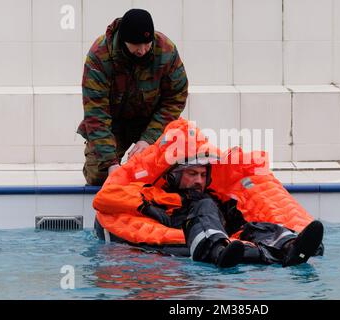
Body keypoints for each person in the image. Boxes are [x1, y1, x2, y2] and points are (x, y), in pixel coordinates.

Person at [134, 160, 324, 268]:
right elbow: (162, 222)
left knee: (254, 226)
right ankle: (217, 251)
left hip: (229, 240)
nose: (199, 180)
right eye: (192, 174)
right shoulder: (163, 197)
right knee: (205, 205)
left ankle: (290, 247)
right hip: (190, 235)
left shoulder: (213, 197)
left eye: (202, 175)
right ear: (175, 175)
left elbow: (236, 224)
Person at [77, 8, 188, 186]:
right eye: (136, 45)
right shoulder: (99, 55)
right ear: (123, 40)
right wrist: (110, 164)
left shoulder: (166, 51)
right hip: (113, 123)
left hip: (151, 121)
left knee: (172, 172)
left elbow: (175, 98)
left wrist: (149, 139)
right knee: (100, 176)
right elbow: (96, 113)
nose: (142, 50)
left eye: (147, 44)